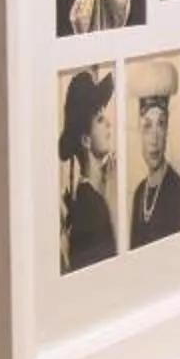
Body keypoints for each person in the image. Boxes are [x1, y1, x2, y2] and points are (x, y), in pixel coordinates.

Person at [59, 66, 118, 272]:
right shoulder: (92, 206)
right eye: (100, 120)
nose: (109, 124)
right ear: (85, 139)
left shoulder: (87, 197)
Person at [127, 58, 180, 247]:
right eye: (147, 126)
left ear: (168, 129)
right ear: (139, 132)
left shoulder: (177, 189)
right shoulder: (138, 194)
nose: (154, 138)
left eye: (161, 124)